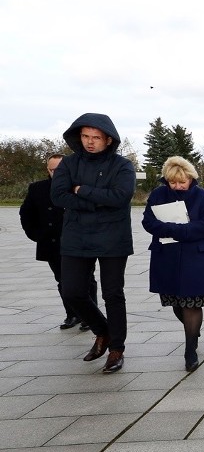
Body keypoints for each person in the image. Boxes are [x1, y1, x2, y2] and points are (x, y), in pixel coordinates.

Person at [50, 113, 135, 373]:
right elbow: (58, 196)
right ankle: (103, 331)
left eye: (96, 137)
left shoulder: (122, 166)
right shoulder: (68, 164)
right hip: (76, 237)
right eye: (85, 136)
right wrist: (98, 200)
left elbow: (120, 197)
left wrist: (82, 190)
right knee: (72, 291)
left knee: (112, 294)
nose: (90, 142)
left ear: (108, 139)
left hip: (113, 238)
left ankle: (116, 349)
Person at [142, 156, 204, 371]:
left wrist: (177, 230)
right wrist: (168, 230)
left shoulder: (202, 196)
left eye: (182, 182)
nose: (178, 186)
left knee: (191, 303)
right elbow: (148, 221)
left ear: (191, 178)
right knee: (175, 303)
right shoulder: (158, 195)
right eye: (173, 182)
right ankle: (192, 330)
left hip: (196, 257)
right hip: (166, 256)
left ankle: (190, 349)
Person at [20, 154, 97, 331]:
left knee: (87, 279)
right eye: (52, 169)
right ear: (48, 170)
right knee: (62, 280)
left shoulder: (80, 187)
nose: (55, 172)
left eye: (59, 169)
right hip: (52, 243)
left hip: (80, 242)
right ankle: (72, 314)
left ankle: (89, 316)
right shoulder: (38, 188)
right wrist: (36, 235)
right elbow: (26, 213)